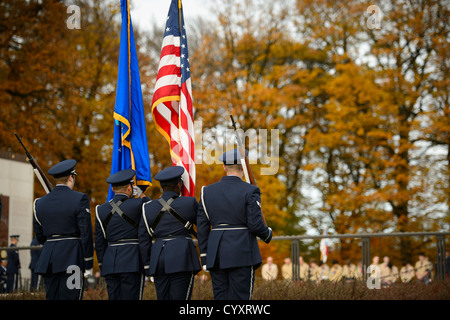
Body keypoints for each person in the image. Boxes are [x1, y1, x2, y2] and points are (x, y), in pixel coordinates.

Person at [197, 149, 272, 300]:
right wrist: (267, 233)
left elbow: (202, 227)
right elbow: (255, 224)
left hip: (216, 254)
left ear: (224, 167)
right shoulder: (251, 190)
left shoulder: (206, 192)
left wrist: (205, 256)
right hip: (242, 251)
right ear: (244, 167)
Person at [33, 159, 94, 300]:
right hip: (72, 258)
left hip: (49, 260)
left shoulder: (39, 203)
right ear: (71, 177)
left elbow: (40, 236)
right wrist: (88, 261)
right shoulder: (80, 199)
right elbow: (85, 232)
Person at [139, 166, 201, 300]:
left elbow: (144, 239)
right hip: (183, 256)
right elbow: (202, 229)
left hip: (158, 259)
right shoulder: (189, 202)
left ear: (162, 186)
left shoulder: (147, 207)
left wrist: (148, 264)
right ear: (179, 184)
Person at [95, 168, 150, 300]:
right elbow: (154, 209)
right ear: (130, 188)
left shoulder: (100, 209)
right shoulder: (139, 204)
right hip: (132, 262)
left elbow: (99, 241)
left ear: (113, 189)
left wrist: (103, 265)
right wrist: (142, 195)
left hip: (110, 263)